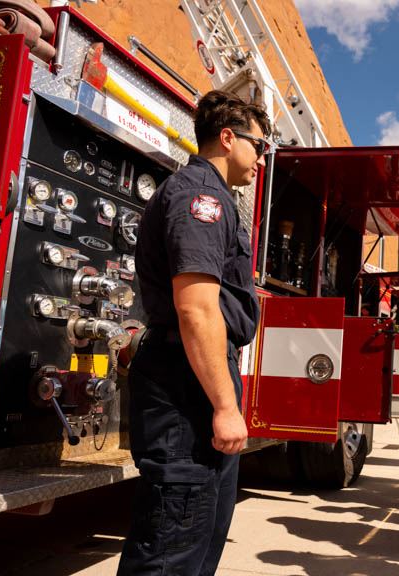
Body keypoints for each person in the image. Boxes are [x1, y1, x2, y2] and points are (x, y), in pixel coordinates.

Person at [118, 91, 271, 575]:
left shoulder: (214, 197)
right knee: (172, 549)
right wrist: (224, 407)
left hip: (196, 377)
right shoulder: (201, 198)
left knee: (199, 538)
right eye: (258, 146)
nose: (261, 159)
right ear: (227, 138)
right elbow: (197, 309)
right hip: (186, 386)